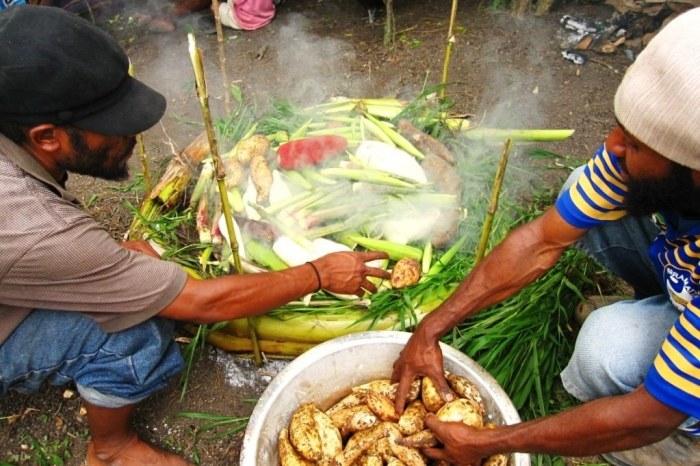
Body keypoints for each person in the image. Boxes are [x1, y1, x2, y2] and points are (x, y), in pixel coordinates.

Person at [0, 5, 390, 466]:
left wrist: (101, 266)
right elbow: (205, 304)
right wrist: (319, 273)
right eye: (114, 125)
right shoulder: (40, 227)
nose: (134, 135)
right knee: (136, 325)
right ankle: (111, 449)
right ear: (46, 136)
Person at [391, 7, 700, 466]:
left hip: (659, 415)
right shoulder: (658, 160)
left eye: (635, 145)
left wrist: (487, 442)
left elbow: (647, 415)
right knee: (583, 186)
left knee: (604, 351)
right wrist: (430, 328)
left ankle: (688, 437)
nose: (613, 145)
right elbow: (540, 241)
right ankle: (674, 315)